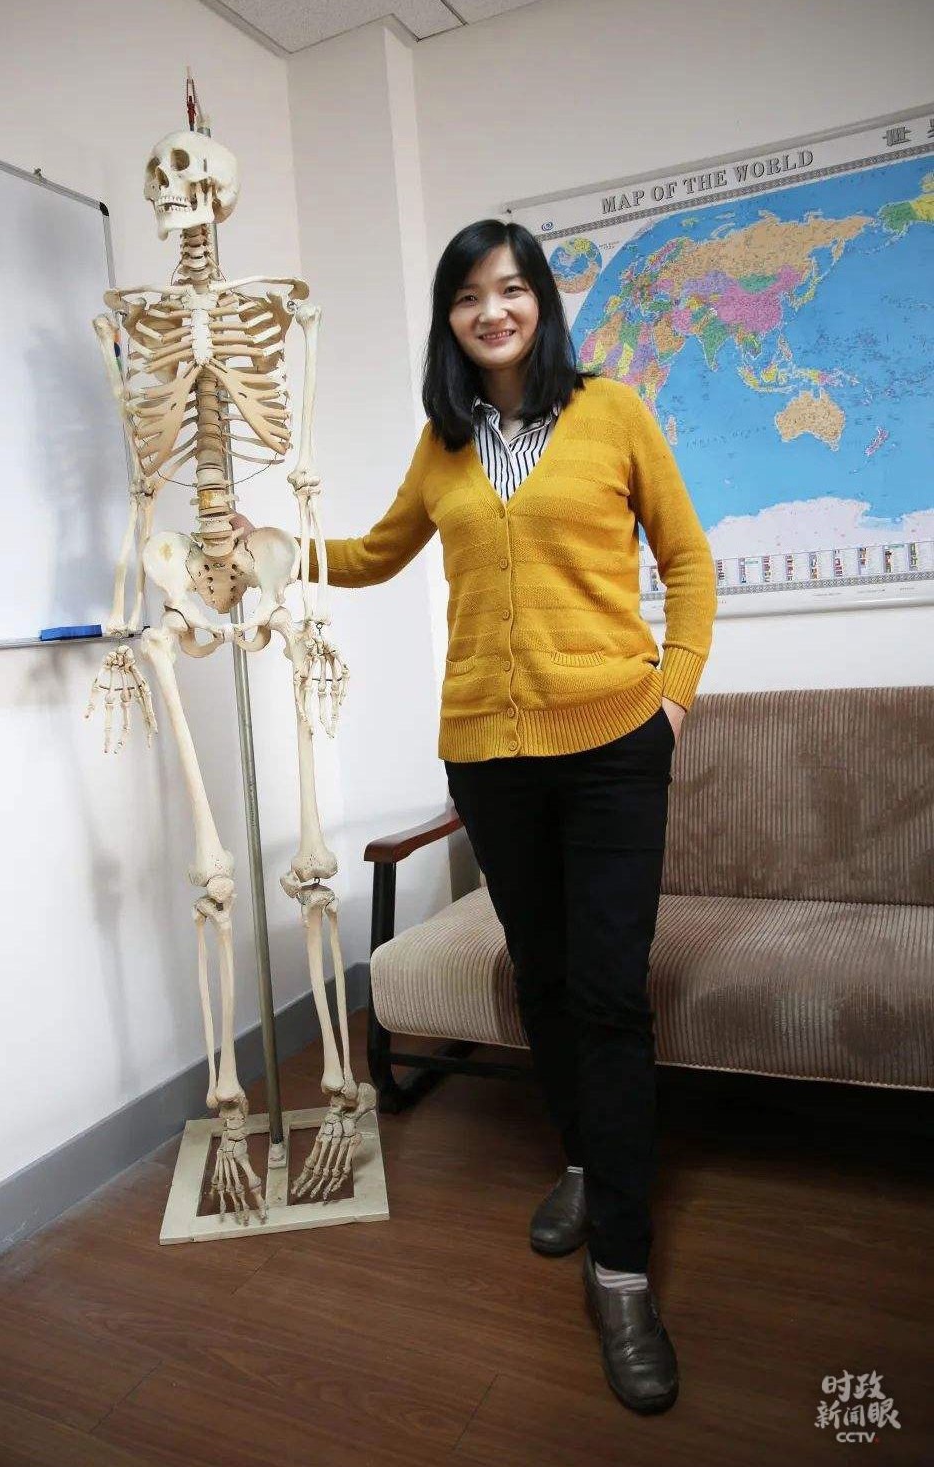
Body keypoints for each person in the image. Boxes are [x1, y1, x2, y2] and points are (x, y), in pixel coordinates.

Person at [232, 219, 717, 1417]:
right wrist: (277, 551)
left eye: (510, 288)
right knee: (540, 977)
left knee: (607, 993)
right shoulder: (445, 444)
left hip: (612, 751)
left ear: (540, 300)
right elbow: (376, 552)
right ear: (450, 320)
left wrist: (672, 699)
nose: (491, 310)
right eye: (467, 296)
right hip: (489, 760)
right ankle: (583, 1158)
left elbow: (689, 561)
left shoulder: (612, 412)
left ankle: (623, 1270)